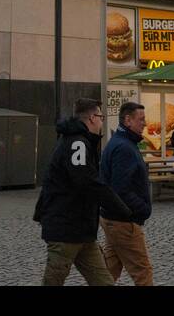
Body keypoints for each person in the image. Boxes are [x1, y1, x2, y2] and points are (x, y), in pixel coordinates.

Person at [34, 97, 131, 286]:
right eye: (101, 117)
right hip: (65, 230)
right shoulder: (77, 143)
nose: (102, 121)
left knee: (104, 281)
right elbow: (87, 182)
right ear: (93, 118)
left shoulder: (80, 141)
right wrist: (119, 207)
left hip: (83, 231)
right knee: (53, 281)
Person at [99, 102, 153, 286]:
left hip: (112, 218)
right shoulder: (124, 147)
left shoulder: (120, 142)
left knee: (109, 271)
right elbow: (120, 189)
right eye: (141, 119)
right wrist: (142, 209)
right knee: (142, 272)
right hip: (123, 222)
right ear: (128, 120)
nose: (144, 123)